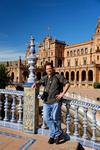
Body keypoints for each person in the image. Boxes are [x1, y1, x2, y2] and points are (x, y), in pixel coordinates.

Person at [32, 62, 70, 144]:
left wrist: (62, 94)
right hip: (46, 102)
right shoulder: (45, 77)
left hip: (56, 102)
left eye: (50, 68)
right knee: (46, 118)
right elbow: (39, 82)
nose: (48, 70)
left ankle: (53, 136)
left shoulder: (58, 76)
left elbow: (67, 84)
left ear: (52, 69)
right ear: (45, 70)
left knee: (55, 119)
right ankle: (58, 133)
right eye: (47, 69)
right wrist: (35, 83)